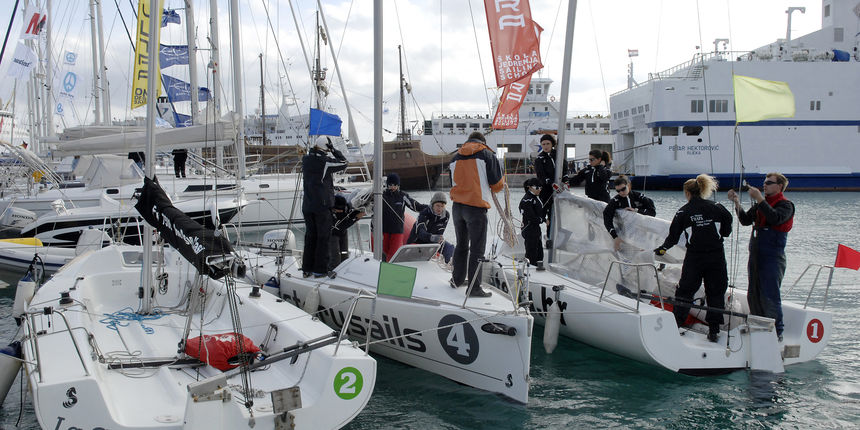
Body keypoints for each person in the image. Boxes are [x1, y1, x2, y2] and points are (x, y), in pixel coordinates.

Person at [655, 174, 732, 342]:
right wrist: (720, 233)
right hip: (716, 256)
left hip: (695, 257)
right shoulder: (718, 207)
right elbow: (727, 227)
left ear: (687, 193)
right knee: (716, 292)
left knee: (685, 291)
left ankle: (676, 325)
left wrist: (662, 250)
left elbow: (673, 237)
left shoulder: (683, 211)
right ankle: (714, 330)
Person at [728, 173, 794, 342]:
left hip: (773, 255)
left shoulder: (786, 205)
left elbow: (775, 218)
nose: (764, 186)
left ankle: (776, 332)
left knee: (769, 294)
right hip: (756, 254)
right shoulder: (760, 205)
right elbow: (745, 220)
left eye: (769, 183)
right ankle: (758, 327)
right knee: (754, 293)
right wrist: (736, 203)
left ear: (779, 186)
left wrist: (759, 199)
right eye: (764, 183)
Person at [449, 131, 504, 297]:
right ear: (482, 141)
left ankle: (456, 279)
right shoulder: (486, 154)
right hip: (475, 207)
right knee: (477, 250)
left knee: (461, 245)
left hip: (457, 207)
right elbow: (497, 184)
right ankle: (474, 288)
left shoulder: (455, 157)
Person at [301, 136, 348, 278]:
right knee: (323, 238)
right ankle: (320, 270)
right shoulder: (324, 162)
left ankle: (306, 269)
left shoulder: (306, 159)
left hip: (308, 205)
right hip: (322, 206)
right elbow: (344, 163)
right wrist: (334, 150)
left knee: (310, 237)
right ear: (327, 147)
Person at [381, 172, 427, 261]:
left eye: (395, 185)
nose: (392, 187)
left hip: (397, 231)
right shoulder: (382, 195)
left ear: (398, 185)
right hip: (384, 231)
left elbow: (416, 206)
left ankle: (391, 271)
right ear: (387, 185)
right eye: (390, 185)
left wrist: (430, 207)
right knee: (384, 253)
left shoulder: (402, 196)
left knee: (394, 254)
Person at [603, 175, 656, 251]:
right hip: (624, 234)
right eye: (618, 191)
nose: (621, 192)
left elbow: (652, 212)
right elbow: (607, 217)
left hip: (641, 234)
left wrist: (636, 210)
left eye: (623, 189)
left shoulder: (639, 197)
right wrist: (615, 236)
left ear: (628, 185)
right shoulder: (615, 201)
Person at [533, 134, 568, 249]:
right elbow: (541, 176)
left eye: (548, 144)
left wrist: (566, 181)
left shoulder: (558, 155)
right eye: (543, 144)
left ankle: (561, 239)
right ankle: (548, 238)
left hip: (560, 191)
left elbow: (565, 168)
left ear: (552, 144)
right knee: (546, 215)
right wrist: (551, 183)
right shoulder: (539, 159)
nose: (546, 146)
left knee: (559, 215)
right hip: (547, 192)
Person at [407, 191, 454, 263]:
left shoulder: (446, 216)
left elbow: (440, 233)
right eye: (437, 205)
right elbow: (420, 233)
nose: (440, 209)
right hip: (417, 242)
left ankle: (451, 268)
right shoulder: (424, 213)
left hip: (432, 242)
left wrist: (437, 238)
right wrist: (432, 237)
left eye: (442, 206)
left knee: (449, 248)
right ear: (432, 204)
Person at [329, 194, 364, 270]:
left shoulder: (346, 207)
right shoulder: (329, 213)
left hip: (342, 233)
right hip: (332, 234)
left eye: (342, 209)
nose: (341, 211)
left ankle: (344, 269)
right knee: (335, 256)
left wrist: (360, 211)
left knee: (344, 253)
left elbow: (350, 214)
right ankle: (332, 269)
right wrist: (356, 218)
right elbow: (340, 225)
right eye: (338, 209)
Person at [519, 177, 547, 270]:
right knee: (531, 253)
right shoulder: (527, 200)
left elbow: (540, 211)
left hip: (535, 229)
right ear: (530, 187)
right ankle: (529, 271)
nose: (539, 190)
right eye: (537, 188)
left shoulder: (535, 198)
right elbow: (531, 216)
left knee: (539, 252)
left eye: (540, 188)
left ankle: (537, 268)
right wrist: (542, 220)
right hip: (529, 229)